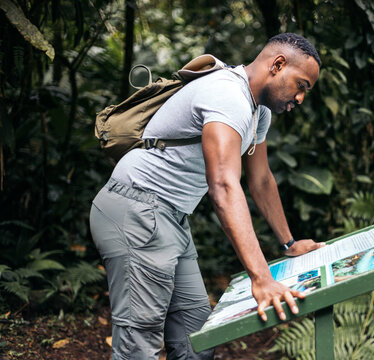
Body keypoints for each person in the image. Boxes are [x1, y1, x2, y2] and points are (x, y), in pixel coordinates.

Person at [89, 33, 324, 360]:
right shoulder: (228, 96)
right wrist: (262, 278)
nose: (300, 98)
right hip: (137, 207)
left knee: (195, 334)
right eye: (301, 85)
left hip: (170, 217)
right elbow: (225, 185)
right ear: (278, 65)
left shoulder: (259, 112)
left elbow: (261, 181)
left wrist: (288, 243)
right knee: (138, 346)